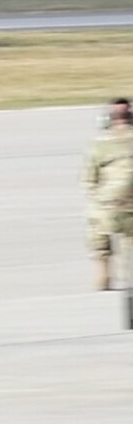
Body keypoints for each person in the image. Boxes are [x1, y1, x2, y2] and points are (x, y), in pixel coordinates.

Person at [84, 97, 133, 289]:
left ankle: (103, 275)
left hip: (107, 207)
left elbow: (89, 180)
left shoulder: (98, 145)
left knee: (96, 224)